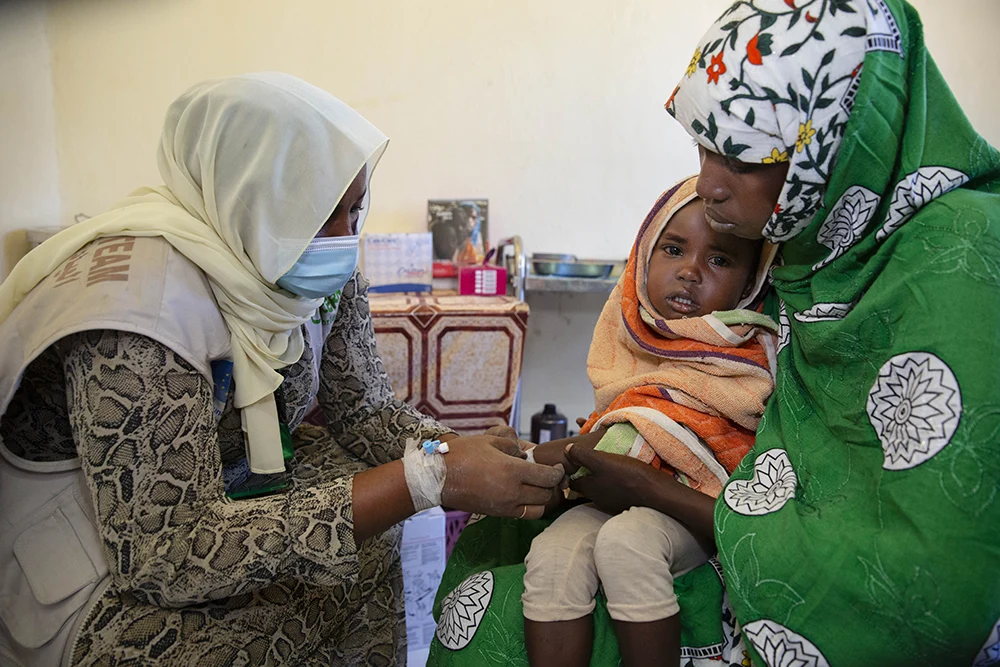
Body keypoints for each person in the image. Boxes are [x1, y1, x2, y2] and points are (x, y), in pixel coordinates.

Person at [429, 1, 1000, 665]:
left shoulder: (961, 255)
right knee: (517, 580)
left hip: (811, 568)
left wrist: (650, 490)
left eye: (743, 159)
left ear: (837, 140)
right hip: (734, 519)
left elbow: (929, 580)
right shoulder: (809, 244)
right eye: (703, 146)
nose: (708, 184)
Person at [0, 73, 564, 666]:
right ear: (248, 199)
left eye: (354, 210)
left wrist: (466, 452)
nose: (344, 238)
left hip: (229, 488)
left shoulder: (308, 262)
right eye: (321, 215)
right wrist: (430, 478)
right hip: (96, 561)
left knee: (374, 522)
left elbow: (364, 409)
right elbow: (167, 552)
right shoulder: (137, 308)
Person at [520, 176, 777, 667]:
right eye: (673, 249)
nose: (690, 271)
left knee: (628, 543)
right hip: (617, 489)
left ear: (750, 281)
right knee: (554, 555)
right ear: (642, 257)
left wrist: (589, 458)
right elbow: (624, 428)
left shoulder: (749, 350)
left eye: (720, 260)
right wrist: (539, 455)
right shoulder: (628, 336)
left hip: (695, 500)